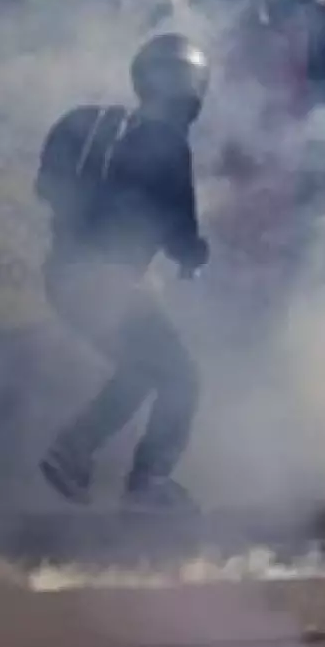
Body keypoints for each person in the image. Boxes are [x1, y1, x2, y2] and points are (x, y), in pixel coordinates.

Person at [34, 34, 211, 512]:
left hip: (60, 277)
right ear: (195, 88)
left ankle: (72, 451)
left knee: (142, 368)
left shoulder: (79, 122)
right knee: (181, 378)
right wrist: (197, 257)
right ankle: (149, 482)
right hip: (107, 279)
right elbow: (182, 237)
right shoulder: (168, 143)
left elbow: (46, 190)